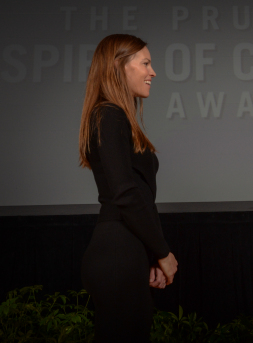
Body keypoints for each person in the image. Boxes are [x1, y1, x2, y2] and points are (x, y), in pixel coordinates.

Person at [78, 34, 178, 342]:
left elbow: (139, 195)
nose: (153, 72)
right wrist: (163, 252)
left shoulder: (116, 116)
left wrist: (150, 255)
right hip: (117, 253)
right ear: (120, 67)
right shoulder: (108, 114)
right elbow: (125, 193)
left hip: (127, 250)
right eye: (145, 63)